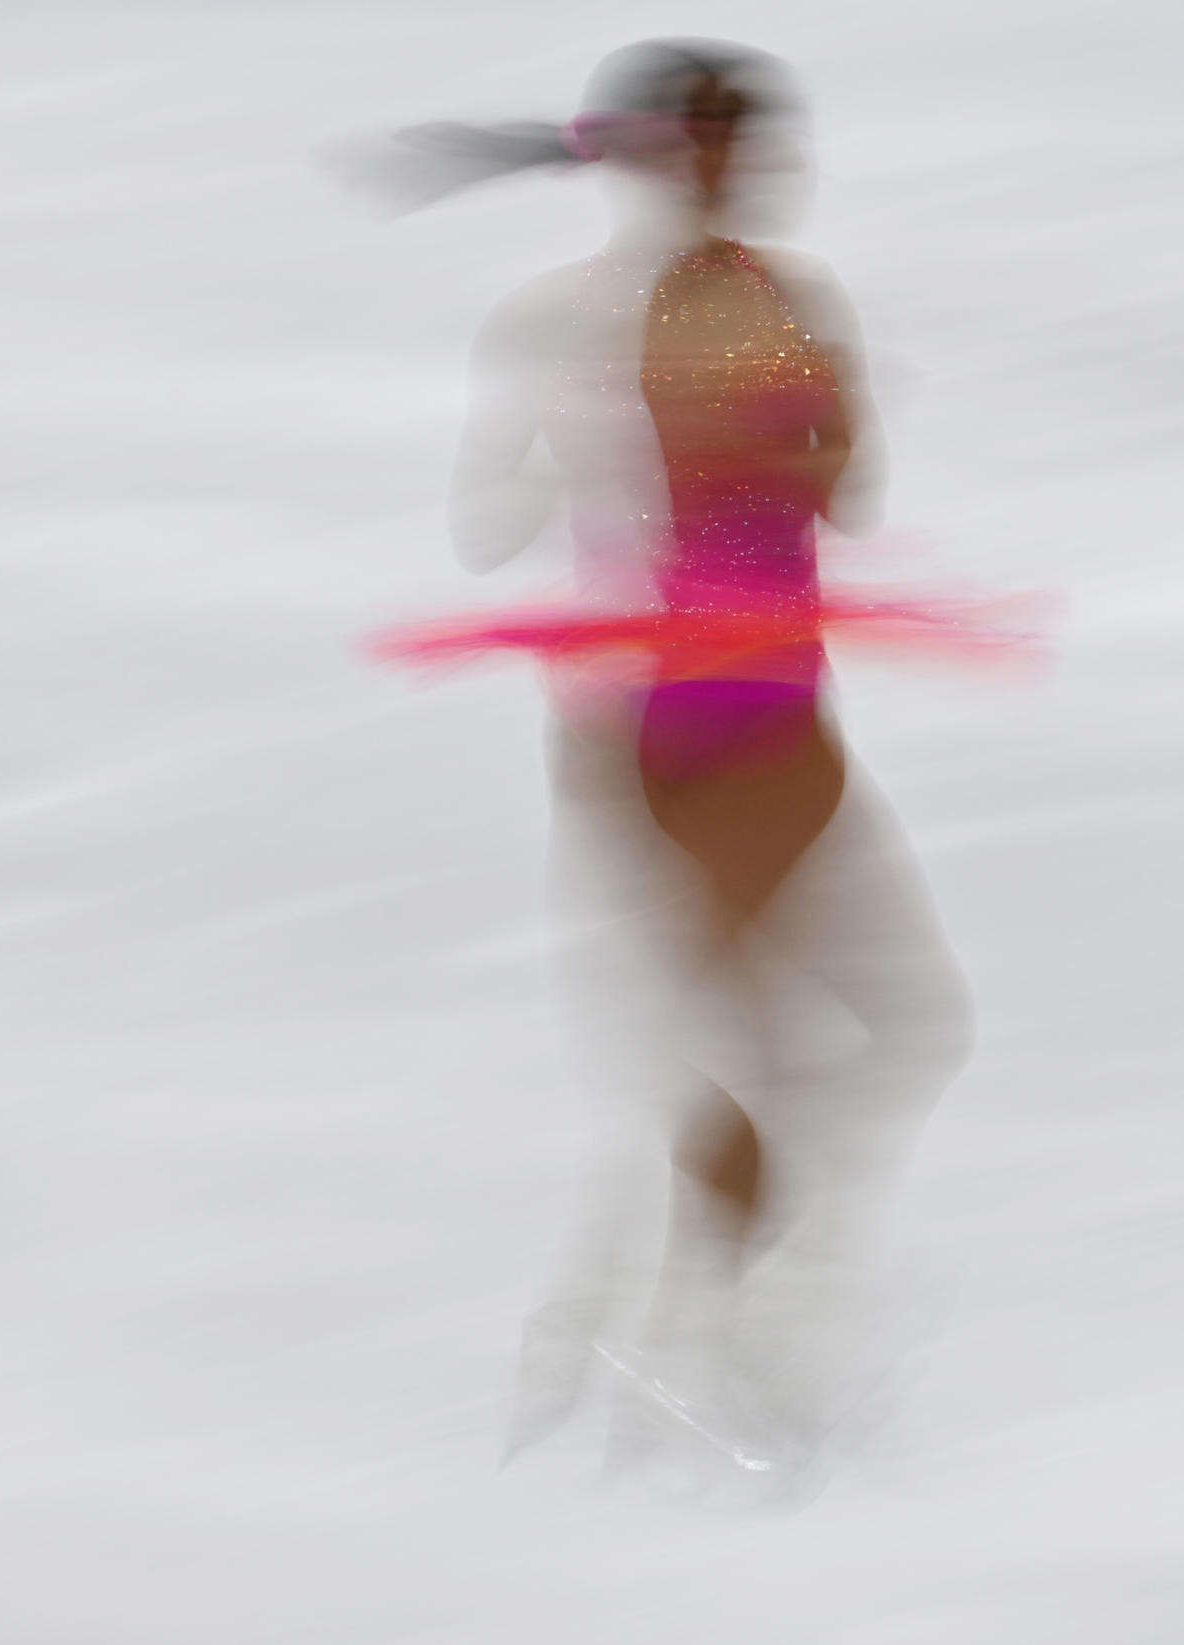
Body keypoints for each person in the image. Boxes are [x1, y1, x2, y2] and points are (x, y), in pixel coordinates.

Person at [355, 40, 981, 1491]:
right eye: (738, 147)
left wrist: (607, 448)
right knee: (826, 1048)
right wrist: (754, 433)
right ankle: (705, 1372)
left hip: (718, 714)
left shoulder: (591, 316)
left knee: (827, 1047)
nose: (747, 170)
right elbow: (846, 490)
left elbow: (493, 526)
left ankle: (670, 1357)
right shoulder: (761, 308)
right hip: (700, 722)